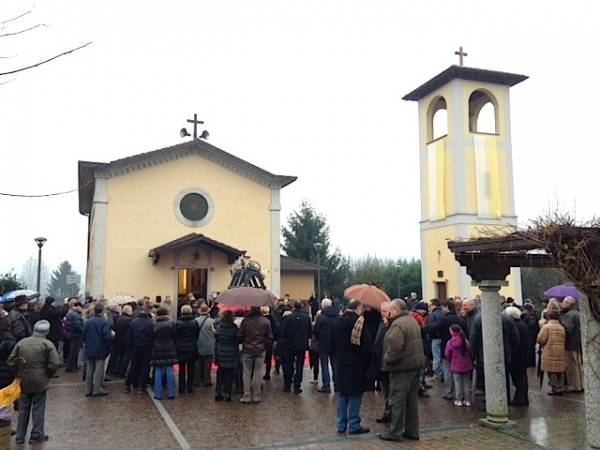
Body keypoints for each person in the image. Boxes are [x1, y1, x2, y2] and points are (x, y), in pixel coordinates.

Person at [378, 299, 424, 442]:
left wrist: (387, 359)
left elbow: (395, 348)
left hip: (401, 368)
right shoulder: (411, 320)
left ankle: (395, 431)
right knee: (411, 400)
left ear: (396, 310)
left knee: (397, 400)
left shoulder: (398, 325)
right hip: (414, 365)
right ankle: (412, 430)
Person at [8, 320, 60, 444]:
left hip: (24, 379)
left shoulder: (22, 342)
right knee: (38, 407)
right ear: (46, 332)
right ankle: (36, 434)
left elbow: (11, 361)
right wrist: (48, 375)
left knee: (24, 408)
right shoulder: (47, 344)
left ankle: (20, 436)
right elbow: (55, 363)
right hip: (40, 380)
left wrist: (18, 372)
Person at [332, 299, 372, 435]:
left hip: (341, 363)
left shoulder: (337, 321)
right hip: (356, 363)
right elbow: (366, 346)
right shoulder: (359, 322)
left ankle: (340, 425)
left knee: (343, 394)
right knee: (355, 394)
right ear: (358, 307)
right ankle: (354, 425)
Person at [422, 299, 466, 400]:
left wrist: (420, 329)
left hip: (447, 347)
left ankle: (449, 392)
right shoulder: (460, 319)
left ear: (447, 307)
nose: (442, 310)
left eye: (443, 307)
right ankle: (461, 393)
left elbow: (432, 327)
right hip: (460, 349)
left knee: (448, 371)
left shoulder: (445, 319)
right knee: (460, 372)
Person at [238, 306, 273, 403]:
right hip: (260, 349)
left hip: (247, 349)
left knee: (246, 372)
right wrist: (264, 346)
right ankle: (257, 396)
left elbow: (240, 335)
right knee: (258, 372)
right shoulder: (266, 321)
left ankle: (247, 395)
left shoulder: (246, 321)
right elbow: (270, 337)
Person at [281, 301, 312, 394]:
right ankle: (297, 386)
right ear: (302, 306)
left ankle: (287, 385)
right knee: (299, 367)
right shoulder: (307, 318)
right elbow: (310, 332)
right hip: (302, 345)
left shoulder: (288, 318)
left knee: (288, 365)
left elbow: (283, 331)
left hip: (289, 345)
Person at [82, 303, 112, 397]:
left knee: (89, 369)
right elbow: (107, 337)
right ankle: (97, 389)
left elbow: (83, 334)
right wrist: (108, 347)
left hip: (90, 347)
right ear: (102, 311)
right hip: (100, 348)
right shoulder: (104, 322)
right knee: (99, 370)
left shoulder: (88, 321)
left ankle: (88, 389)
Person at [504, 306, 530, 406]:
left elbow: (514, 340)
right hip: (523, 355)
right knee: (522, 378)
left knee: (518, 379)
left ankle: (519, 399)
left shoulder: (514, 325)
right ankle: (523, 398)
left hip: (517, 356)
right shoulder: (522, 324)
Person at [125, 303, 154, 394]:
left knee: (133, 366)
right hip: (147, 347)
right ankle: (141, 387)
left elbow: (129, 337)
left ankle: (127, 385)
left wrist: (130, 347)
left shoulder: (133, 322)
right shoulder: (151, 322)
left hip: (135, 347)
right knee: (145, 367)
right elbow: (153, 336)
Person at [537, 310, 566, 395]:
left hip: (549, 351)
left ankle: (555, 388)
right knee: (559, 371)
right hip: (560, 351)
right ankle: (561, 387)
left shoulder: (546, 327)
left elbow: (541, 339)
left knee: (551, 371)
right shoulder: (561, 327)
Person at [151, 307, 177, 400]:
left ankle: (158, 394)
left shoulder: (154, 324)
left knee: (158, 369)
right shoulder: (171, 323)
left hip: (157, 348)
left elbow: (152, 337)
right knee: (169, 368)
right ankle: (171, 393)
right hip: (169, 346)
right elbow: (175, 335)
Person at [444, 323, 473, 407]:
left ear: (452, 332)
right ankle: (467, 400)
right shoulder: (466, 341)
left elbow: (447, 354)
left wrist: (451, 361)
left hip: (455, 365)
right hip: (467, 365)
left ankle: (459, 400)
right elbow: (470, 352)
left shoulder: (450, 342)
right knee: (467, 382)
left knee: (457, 383)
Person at [373, 302, 392, 424]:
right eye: (381, 311)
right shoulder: (381, 324)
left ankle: (390, 414)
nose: (382, 314)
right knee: (386, 391)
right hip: (381, 364)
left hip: (389, 364)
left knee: (391, 392)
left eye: (384, 311)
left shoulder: (394, 326)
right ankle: (387, 412)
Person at [313, 298, 337, 393]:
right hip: (335, 344)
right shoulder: (337, 316)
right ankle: (337, 384)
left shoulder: (321, 317)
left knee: (324, 364)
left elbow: (316, 330)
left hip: (323, 344)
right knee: (335, 364)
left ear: (322, 306)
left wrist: (319, 338)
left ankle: (326, 385)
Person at [560, 296, 584, 393]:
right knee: (578, 366)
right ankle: (580, 384)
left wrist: (561, 324)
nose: (562, 304)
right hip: (578, 343)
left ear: (569, 304)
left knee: (571, 366)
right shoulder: (578, 313)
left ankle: (574, 386)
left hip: (570, 344)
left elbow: (567, 329)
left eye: (564, 302)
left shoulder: (569, 315)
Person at [214, 310, 239, 401]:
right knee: (229, 374)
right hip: (231, 352)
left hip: (220, 352)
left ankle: (218, 391)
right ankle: (227, 393)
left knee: (220, 373)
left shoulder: (219, 327)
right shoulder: (234, 328)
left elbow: (216, 338)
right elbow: (238, 339)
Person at [175, 305, 199, 394]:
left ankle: (181, 388)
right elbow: (197, 334)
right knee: (191, 368)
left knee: (181, 369)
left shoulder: (178, 323)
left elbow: (176, 336)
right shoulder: (194, 322)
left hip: (180, 348)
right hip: (192, 347)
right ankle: (189, 387)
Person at [195, 304, 215, 387]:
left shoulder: (195, 320)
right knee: (207, 365)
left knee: (197, 364)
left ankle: (197, 380)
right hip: (208, 345)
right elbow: (215, 332)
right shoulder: (211, 321)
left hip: (198, 345)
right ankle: (207, 380)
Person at [111, 304, 133, 377]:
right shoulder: (130, 320)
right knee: (126, 357)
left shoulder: (118, 318)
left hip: (118, 340)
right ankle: (122, 372)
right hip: (126, 341)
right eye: (131, 311)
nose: (132, 312)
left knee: (118, 356)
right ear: (128, 311)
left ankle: (115, 370)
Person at [64, 302, 84, 372]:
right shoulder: (76, 315)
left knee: (72, 351)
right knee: (74, 352)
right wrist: (82, 330)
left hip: (71, 334)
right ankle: (71, 367)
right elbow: (77, 326)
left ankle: (72, 366)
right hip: (76, 335)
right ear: (78, 307)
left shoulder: (70, 312)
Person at [427, 298, 444, 382]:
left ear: (434, 305)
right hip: (443, 337)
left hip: (435, 338)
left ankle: (437, 375)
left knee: (436, 357)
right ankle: (443, 374)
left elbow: (431, 326)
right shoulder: (443, 312)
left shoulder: (433, 315)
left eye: (430, 305)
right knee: (442, 358)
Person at [521, 303, 540, 368]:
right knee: (530, 350)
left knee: (530, 350)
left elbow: (529, 326)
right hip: (531, 336)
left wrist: (524, 317)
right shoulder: (531, 316)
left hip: (530, 337)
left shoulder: (531, 317)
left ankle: (531, 364)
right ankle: (531, 363)